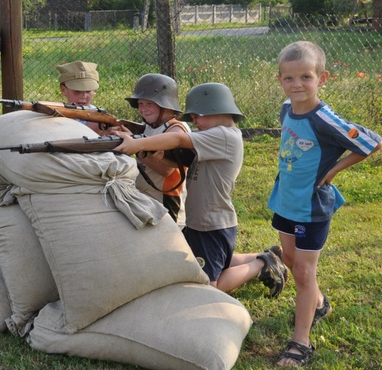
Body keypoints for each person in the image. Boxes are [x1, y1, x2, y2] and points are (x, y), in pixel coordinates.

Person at [114, 82, 289, 297]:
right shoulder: (216, 135)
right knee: (217, 261)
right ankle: (269, 255)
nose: (194, 122)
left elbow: (178, 137)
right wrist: (154, 153)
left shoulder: (224, 136)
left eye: (197, 116)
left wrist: (138, 144)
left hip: (211, 222)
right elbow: (176, 160)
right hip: (203, 221)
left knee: (208, 286)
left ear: (216, 109)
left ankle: (263, 263)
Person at [269, 41, 382, 367]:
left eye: (305, 77)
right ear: (280, 80)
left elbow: (372, 142)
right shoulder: (285, 109)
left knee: (304, 273)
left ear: (322, 78)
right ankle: (317, 303)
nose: (297, 85)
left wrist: (333, 170)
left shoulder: (325, 119)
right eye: (289, 78)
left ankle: (300, 342)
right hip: (285, 201)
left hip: (311, 209)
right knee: (289, 259)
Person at [120, 73, 191, 228]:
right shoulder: (148, 126)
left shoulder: (177, 130)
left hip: (167, 203)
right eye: (140, 104)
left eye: (149, 104)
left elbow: (166, 171)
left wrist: (136, 146)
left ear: (165, 104)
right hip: (147, 199)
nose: (143, 109)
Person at [56, 61, 103, 134]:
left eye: (88, 91)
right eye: (77, 91)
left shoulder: (101, 117)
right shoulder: (57, 118)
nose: (83, 96)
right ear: (63, 90)